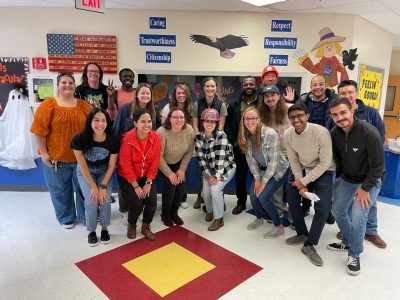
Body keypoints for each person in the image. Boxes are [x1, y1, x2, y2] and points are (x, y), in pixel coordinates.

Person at [327, 98, 385, 276]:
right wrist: (340, 178)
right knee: (337, 210)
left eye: (343, 112)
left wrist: (365, 188)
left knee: (359, 216)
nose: (340, 117)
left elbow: (378, 166)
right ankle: (348, 240)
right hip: (348, 178)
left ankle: (354, 253)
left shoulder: (369, 132)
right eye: (335, 114)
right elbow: (338, 159)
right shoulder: (334, 133)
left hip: (370, 180)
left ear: (352, 111)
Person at [30, 73, 92, 228]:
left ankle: (86, 216)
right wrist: (44, 153)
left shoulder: (84, 105)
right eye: (64, 82)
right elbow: (39, 131)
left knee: (85, 190)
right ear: (57, 85)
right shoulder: (48, 105)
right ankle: (66, 218)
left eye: (71, 82)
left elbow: (93, 129)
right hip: (56, 159)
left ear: (75, 86)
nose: (68, 85)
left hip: (81, 159)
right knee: (59, 192)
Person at [284, 103, 335, 266]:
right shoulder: (288, 134)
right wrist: (300, 184)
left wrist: (304, 181)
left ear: (307, 116)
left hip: (323, 169)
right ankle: (302, 233)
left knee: (323, 206)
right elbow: (293, 160)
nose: (296, 120)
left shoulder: (321, 132)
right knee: (291, 199)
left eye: (300, 116)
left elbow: (326, 162)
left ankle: (310, 244)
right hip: (302, 169)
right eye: (292, 117)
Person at [238, 107, 289, 239]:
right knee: (254, 195)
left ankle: (279, 226)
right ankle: (259, 218)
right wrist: (257, 179)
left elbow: (274, 161)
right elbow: (251, 161)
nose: (250, 121)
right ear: (243, 121)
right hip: (262, 169)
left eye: (253, 118)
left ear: (259, 120)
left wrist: (264, 182)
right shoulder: (246, 136)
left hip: (279, 170)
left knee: (263, 196)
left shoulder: (270, 133)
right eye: (247, 119)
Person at [71, 109, 119, 246]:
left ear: (107, 123)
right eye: (96, 120)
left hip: (104, 171)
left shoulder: (113, 139)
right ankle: (91, 231)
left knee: (104, 199)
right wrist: (94, 187)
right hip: (86, 171)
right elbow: (82, 165)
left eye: (103, 120)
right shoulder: (78, 139)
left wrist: (102, 186)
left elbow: (112, 165)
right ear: (90, 122)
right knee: (91, 200)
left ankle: (104, 228)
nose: (100, 124)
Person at [297, 74, 338, 224]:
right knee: (307, 178)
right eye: (315, 85)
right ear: (310, 87)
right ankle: (306, 205)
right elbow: (296, 116)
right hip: (307, 146)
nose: (318, 87)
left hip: (327, 146)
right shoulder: (303, 100)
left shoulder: (335, 100)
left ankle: (325, 211)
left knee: (324, 182)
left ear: (325, 85)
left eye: (321, 84)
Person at [117, 108, 161, 241]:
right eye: (143, 121)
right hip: (128, 177)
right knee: (136, 203)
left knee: (152, 200)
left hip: (146, 176)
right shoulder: (128, 139)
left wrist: (148, 182)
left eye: (149, 121)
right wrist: (136, 186)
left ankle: (146, 226)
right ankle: (132, 225)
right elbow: (126, 165)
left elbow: (155, 161)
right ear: (135, 123)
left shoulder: (155, 137)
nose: (147, 124)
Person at [195, 108, 236, 231]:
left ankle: (219, 219)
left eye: (213, 121)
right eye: (207, 121)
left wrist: (216, 177)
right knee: (206, 191)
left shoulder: (221, 136)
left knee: (215, 189)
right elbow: (201, 160)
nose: (209, 124)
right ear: (202, 122)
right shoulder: (198, 137)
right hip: (209, 170)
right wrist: (208, 176)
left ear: (216, 123)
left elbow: (220, 159)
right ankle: (210, 211)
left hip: (225, 168)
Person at [224, 76, 260, 215]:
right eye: (246, 84)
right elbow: (227, 125)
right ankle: (241, 202)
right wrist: (235, 142)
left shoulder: (261, 104)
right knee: (240, 176)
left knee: (257, 176)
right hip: (240, 147)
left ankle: (258, 202)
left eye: (251, 84)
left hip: (257, 147)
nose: (249, 86)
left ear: (255, 86)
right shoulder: (234, 105)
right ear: (242, 87)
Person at [192, 77, 228, 209]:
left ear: (216, 88)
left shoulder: (221, 104)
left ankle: (220, 198)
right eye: (207, 86)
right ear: (204, 88)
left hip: (215, 142)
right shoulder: (198, 104)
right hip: (201, 141)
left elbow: (221, 126)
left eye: (212, 86)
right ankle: (199, 196)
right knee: (202, 170)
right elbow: (195, 125)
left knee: (218, 170)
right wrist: (200, 139)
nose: (210, 88)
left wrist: (214, 140)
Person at [258, 85, 291, 224]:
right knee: (276, 188)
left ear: (279, 96)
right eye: (267, 96)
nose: (270, 98)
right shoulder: (262, 114)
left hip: (291, 154)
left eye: (273, 95)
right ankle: (277, 211)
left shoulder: (290, 108)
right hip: (275, 155)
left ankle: (292, 215)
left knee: (292, 189)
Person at [157, 108, 195, 226]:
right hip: (163, 163)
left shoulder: (189, 130)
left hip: (179, 162)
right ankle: (166, 214)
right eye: (175, 117)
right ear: (169, 119)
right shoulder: (161, 132)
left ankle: (174, 213)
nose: (179, 120)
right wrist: (169, 173)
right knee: (170, 184)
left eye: (181, 117)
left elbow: (189, 151)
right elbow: (158, 157)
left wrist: (182, 169)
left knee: (181, 186)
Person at [161, 83, 193, 209]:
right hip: (168, 151)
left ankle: (181, 199)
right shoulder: (167, 107)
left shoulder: (190, 107)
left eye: (183, 93)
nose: (181, 95)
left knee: (182, 176)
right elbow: (165, 128)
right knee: (171, 182)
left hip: (183, 146)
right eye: (178, 93)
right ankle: (167, 209)